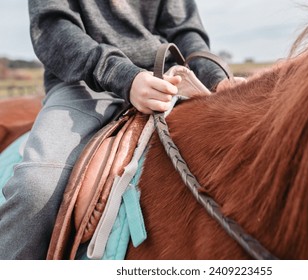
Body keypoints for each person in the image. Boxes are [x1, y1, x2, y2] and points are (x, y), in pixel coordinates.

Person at [0, 0, 240, 259]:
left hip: (165, 82)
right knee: (35, 189)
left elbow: (184, 30)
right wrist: (125, 76)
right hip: (82, 85)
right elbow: (53, 28)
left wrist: (217, 79)